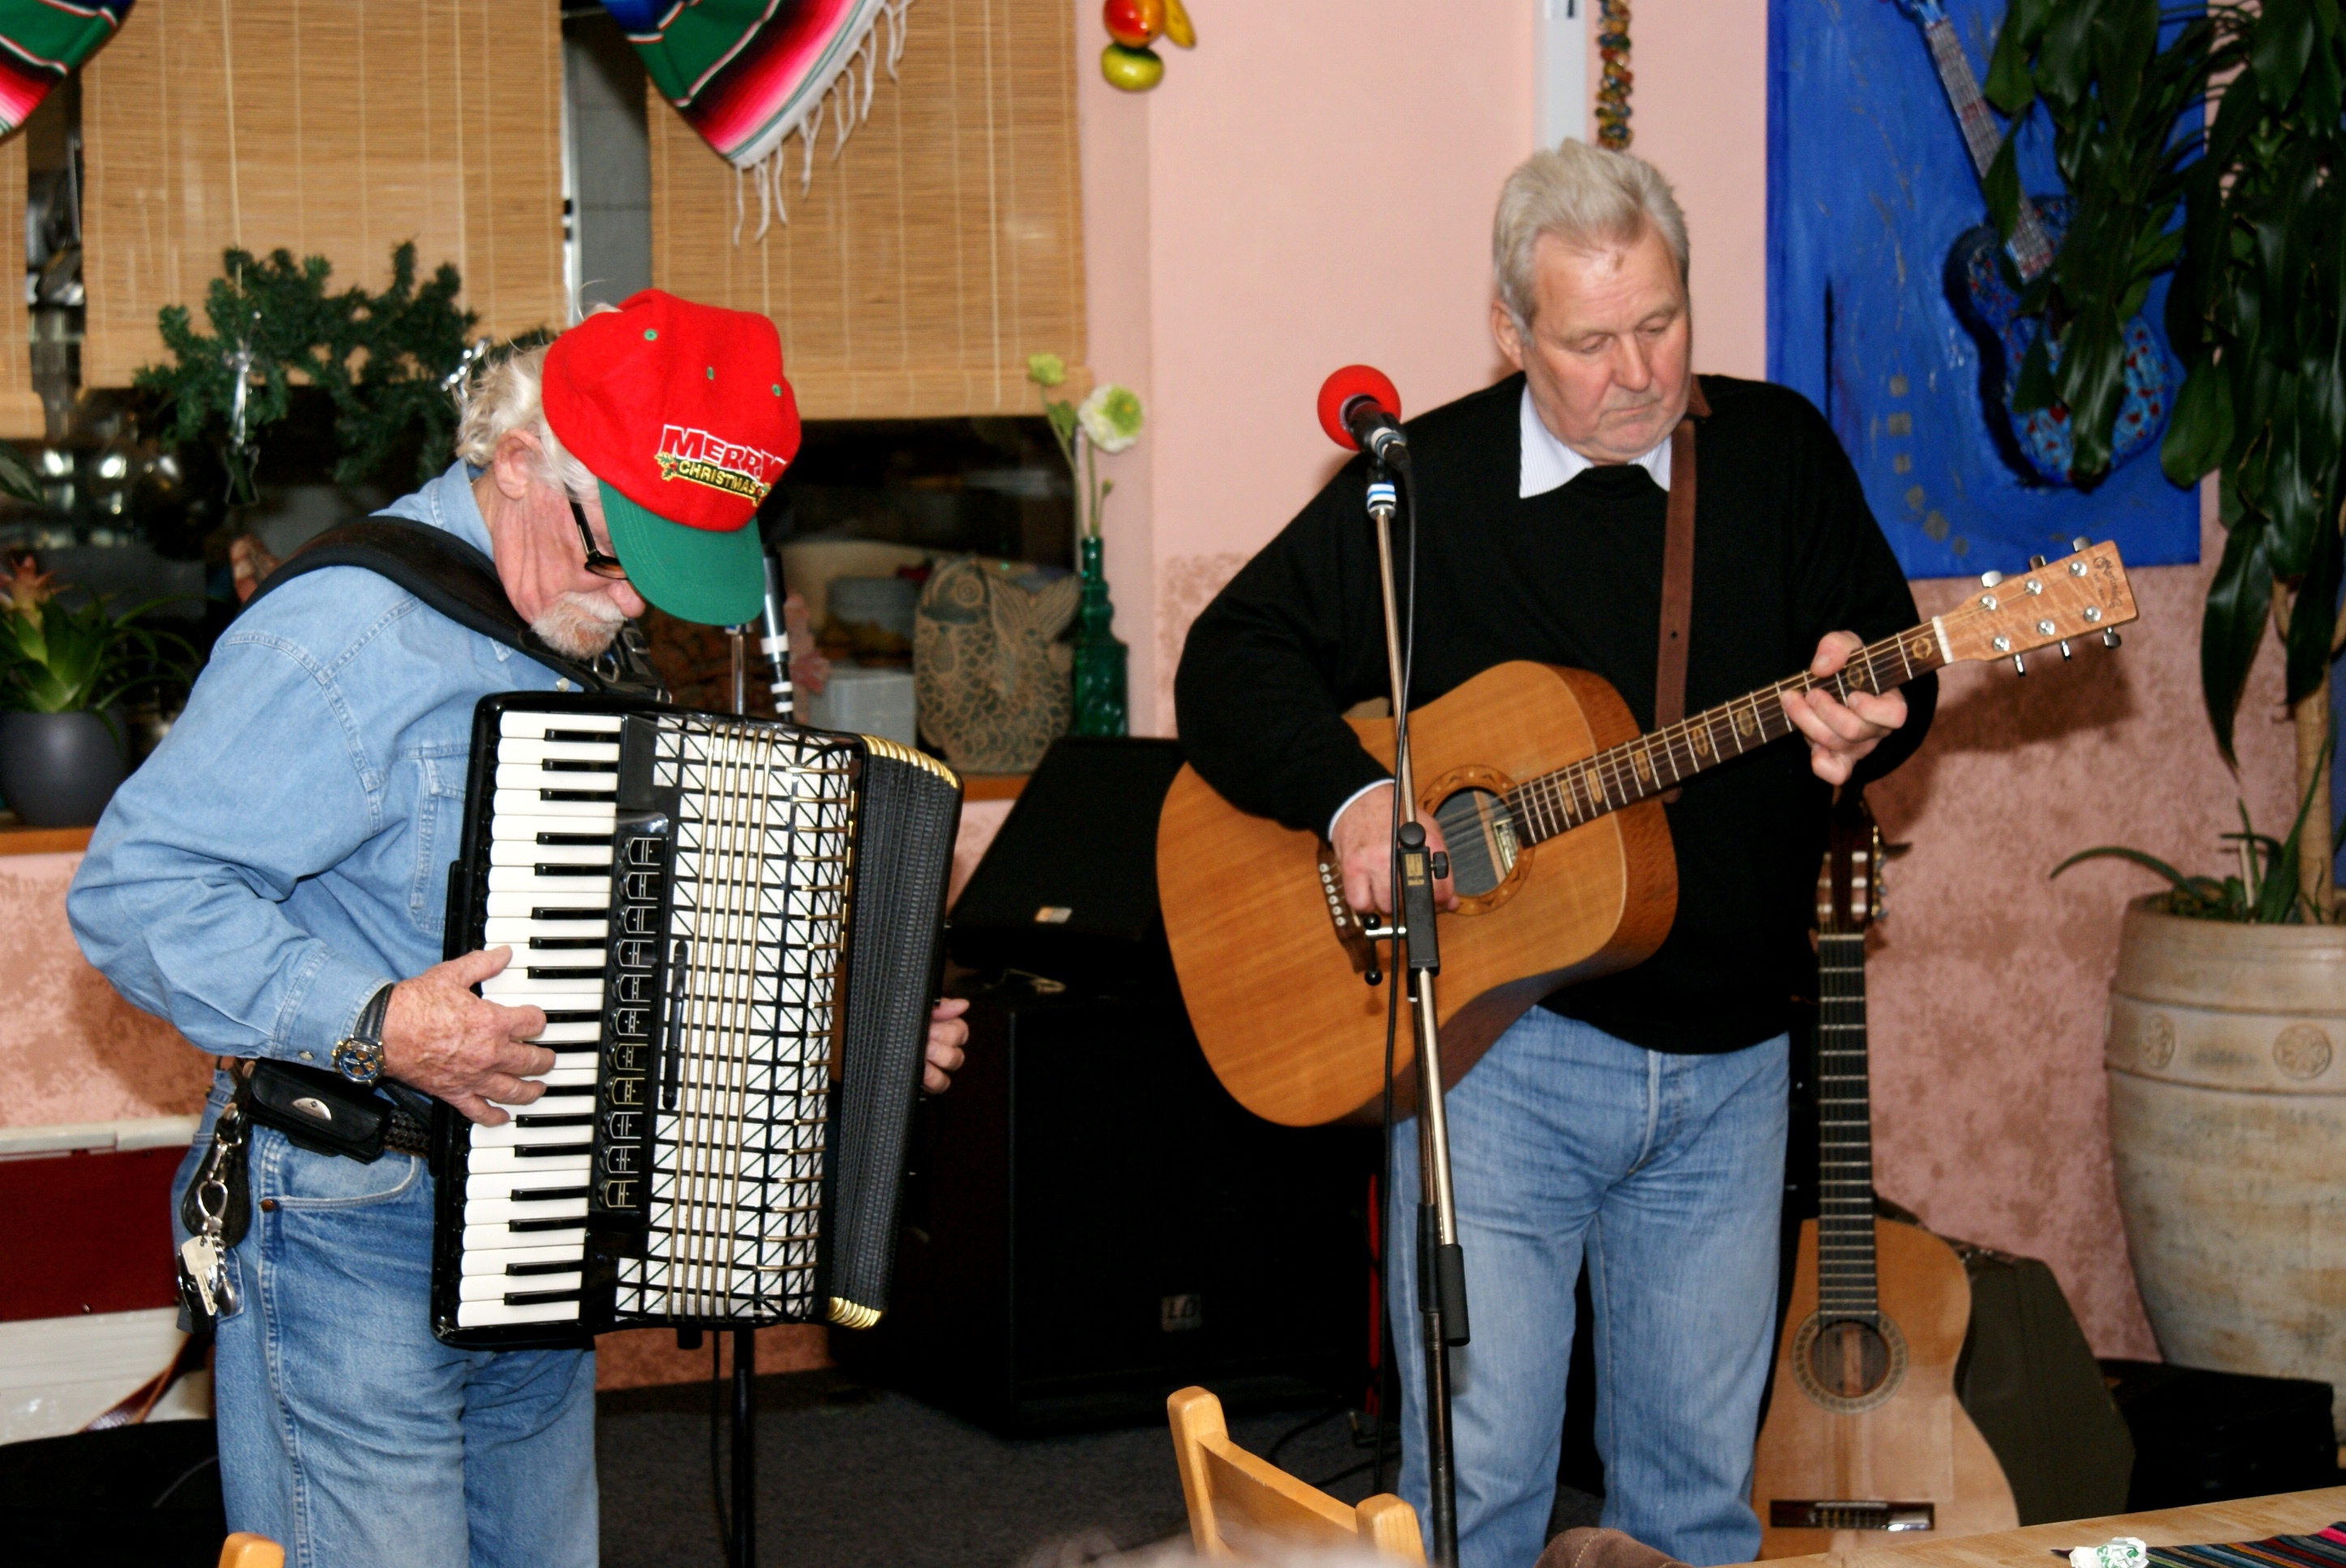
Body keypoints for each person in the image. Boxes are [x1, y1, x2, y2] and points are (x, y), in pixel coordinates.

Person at [69, 290, 970, 1567]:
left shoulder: (576, 629)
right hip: (351, 1216)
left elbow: (630, 934)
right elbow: (137, 891)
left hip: (541, 1216)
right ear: (518, 461)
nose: (632, 603)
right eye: (618, 555)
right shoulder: (345, 637)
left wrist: (833, 1031)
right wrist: (382, 1022)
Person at [1175, 143, 1934, 1568]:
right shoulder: (1426, 486)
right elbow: (1230, 660)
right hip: (1501, 1058)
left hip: (1731, 1065)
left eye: (1662, 322)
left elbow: (1889, 667)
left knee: (1694, 1508)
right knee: (1481, 1492)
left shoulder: (1776, 453)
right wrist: (1352, 799)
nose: (1637, 372)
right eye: (1590, 342)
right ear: (1511, 333)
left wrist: (1871, 718)